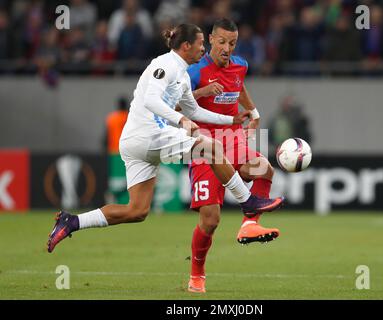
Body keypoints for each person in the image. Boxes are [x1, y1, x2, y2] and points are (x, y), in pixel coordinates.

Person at [47, 24, 285, 257]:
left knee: (136, 210)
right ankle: (248, 201)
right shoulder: (165, 64)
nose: (204, 49)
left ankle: (73, 221)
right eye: (201, 44)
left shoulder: (181, 74)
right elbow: (151, 100)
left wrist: (231, 121)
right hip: (149, 134)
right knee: (211, 148)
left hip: (137, 143)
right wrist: (180, 120)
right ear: (186, 45)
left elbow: (196, 112)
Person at [185, 18, 281, 294]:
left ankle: (249, 225)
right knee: (210, 220)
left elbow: (239, 86)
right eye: (223, 42)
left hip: (232, 138)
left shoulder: (240, 65)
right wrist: (202, 92)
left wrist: (254, 112)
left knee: (264, 169)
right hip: (203, 145)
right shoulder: (195, 71)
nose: (227, 48)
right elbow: (176, 103)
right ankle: (197, 275)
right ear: (211, 40)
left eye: (233, 43)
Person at [104, 96, 129, 205]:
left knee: (116, 179)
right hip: (127, 151)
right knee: (129, 178)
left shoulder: (111, 118)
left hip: (113, 152)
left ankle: (113, 196)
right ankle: (116, 195)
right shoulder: (129, 117)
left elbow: (105, 137)